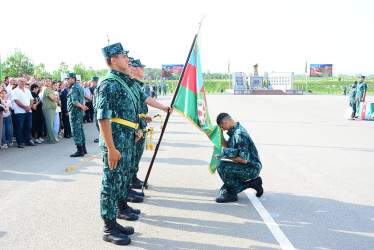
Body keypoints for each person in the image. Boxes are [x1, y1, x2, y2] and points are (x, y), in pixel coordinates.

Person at [95, 42, 137, 245]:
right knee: (111, 183)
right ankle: (108, 228)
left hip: (124, 140)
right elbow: (103, 119)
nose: (127, 59)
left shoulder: (120, 82)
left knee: (120, 182)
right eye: (123, 56)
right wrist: (111, 149)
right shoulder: (108, 83)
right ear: (113, 59)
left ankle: (115, 221)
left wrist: (134, 130)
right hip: (115, 144)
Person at [214, 113, 263, 203]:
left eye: (222, 127)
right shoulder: (235, 131)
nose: (223, 129)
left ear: (226, 122)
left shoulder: (239, 134)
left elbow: (244, 159)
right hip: (247, 165)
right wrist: (220, 136)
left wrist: (225, 157)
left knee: (222, 166)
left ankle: (233, 194)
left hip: (251, 167)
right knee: (225, 188)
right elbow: (228, 147)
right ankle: (254, 183)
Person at [67, 73, 88, 157]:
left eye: (68, 79)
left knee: (76, 130)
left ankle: (80, 150)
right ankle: (83, 148)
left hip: (74, 112)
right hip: (79, 112)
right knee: (81, 129)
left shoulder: (74, 88)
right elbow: (82, 99)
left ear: (73, 79)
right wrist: (82, 106)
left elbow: (75, 102)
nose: (67, 80)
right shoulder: (80, 87)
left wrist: (82, 107)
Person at [12, 78, 35, 148]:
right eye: (21, 81)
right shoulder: (15, 91)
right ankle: (20, 142)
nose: (23, 83)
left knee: (28, 127)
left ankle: (27, 141)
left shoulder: (28, 90)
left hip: (28, 112)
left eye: (24, 81)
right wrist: (25, 107)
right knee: (19, 128)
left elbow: (31, 99)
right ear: (18, 82)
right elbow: (16, 101)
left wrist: (30, 107)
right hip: (19, 112)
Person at [42, 78, 59, 144]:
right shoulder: (46, 89)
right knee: (50, 125)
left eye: (49, 81)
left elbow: (55, 98)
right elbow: (53, 98)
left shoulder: (50, 89)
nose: (48, 82)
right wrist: (56, 97)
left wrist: (56, 97)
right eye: (46, 81)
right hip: (48, 108)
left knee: (52, 124)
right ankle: (52, 139)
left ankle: (52, 138)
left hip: (52, 108)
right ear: (44, 82)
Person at [90, 76, 100, 143]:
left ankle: (102, 138)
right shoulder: (96, 88)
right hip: (96, 109)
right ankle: (101, 136)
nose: (91, 83)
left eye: (92, 82)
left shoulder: (99, 88)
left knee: (99, 125)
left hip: (98, 110)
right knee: (98, 124)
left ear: (94, 82)